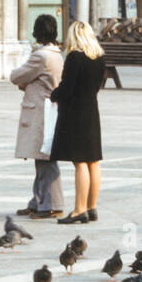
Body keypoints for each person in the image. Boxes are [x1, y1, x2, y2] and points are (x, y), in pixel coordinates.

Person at [10, 14, 65, 219]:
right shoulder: (57, 54)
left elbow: (16, 76)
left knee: (44, 159)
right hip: (49, 109)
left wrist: (26, 83)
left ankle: (47, 204)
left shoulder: (40, 56)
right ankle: (39, 201)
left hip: (40, 112)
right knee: (43, 158)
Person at [50, 20, 105, 224]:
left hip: (75, 113)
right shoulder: (99, 56)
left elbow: (67, 88)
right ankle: (91, 207)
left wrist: (54, 95)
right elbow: (98, 85)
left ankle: (79, 209)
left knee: (80, 161)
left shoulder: (75, 57)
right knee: (93, 161)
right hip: (92, 110)